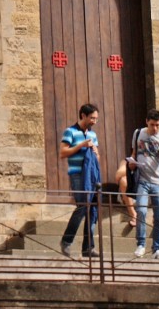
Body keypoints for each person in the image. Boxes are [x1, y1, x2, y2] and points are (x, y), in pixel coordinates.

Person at [130, 109, 159, 261]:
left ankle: (156, 249)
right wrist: (131, 163)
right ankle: (141, 245)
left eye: (157, 125)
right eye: (152, 125)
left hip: (158, 182)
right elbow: (134, 153)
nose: (155, 128)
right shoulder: (138, 133)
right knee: (141, 211)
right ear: (146, 122)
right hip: (142, 180)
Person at [59, 103, 101, 258]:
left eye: (96, 119)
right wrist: (81, 145)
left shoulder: (93, 135)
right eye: (92, 118)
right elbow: (63, 153)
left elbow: (97, 158)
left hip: (91, 176)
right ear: (83, 115)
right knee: (83, 206)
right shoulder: (70, 131)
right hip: (77, 174)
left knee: (92, 209)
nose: (94, 121)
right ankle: (66, 241)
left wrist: (95, 152)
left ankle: (88, 248)